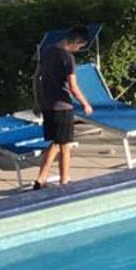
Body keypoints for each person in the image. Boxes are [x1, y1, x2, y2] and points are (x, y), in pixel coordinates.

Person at [33, 27, 92, 190]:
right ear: (76, 41)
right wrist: (85, 104)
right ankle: (65, 180)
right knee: (65, 145)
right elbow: (73, 86)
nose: (78, 50)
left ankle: (40, 179)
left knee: (56, 143)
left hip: (47, 104)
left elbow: (36, 77)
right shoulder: (68, 58)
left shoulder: (47, 51)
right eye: (80, 46)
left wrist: (37, 101)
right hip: (63, 106)